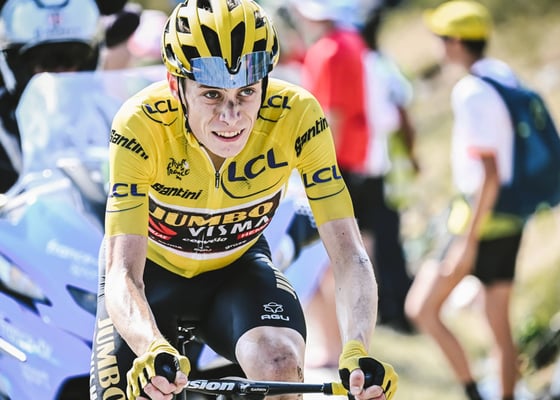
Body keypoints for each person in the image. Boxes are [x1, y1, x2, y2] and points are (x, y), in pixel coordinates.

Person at [88, 2, 398, 400]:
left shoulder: (299, 116)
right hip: (152, 275)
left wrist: (356, 347)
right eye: (212, 94)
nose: (231, 116)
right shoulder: (140, 124)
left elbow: (349, 253)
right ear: (175, 85)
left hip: (236, 267)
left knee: (281, 367)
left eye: (247, 92)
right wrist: (150, 346)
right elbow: (123, 272)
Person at [404, 2, 527, 400]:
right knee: (499, 324)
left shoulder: (472, 92)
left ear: (456, 42)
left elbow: (489, 173)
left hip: (478, 219)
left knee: (421, 308)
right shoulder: (501, 74)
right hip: (510, 215)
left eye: (441, 38)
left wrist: (467, 242)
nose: (438, 46)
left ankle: (473, 392)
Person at [0, 0, 101, 193]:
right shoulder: (3, 126)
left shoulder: (108, 113)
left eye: (71, 58)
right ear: (16, 64)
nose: (59, 71)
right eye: (44, 60)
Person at [359, 7, 418, 333]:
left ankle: (395, 308)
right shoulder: (384, 63)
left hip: (375, 164)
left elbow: (394, 116)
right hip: (387, 163)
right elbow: (404, 113)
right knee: (385, 236)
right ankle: (394, 306)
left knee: (381, 237)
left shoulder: (366, 65)